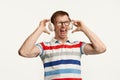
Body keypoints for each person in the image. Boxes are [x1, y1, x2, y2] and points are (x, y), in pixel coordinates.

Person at [18, 10, 106, 80]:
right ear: (52, 26)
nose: (63, 26)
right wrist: (40, 29)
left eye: (66, 22)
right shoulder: (45, 47)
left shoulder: (78, 45)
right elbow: (24, 52)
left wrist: (84, 28)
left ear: (70, 25)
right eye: (59, 23)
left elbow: (101, 48)